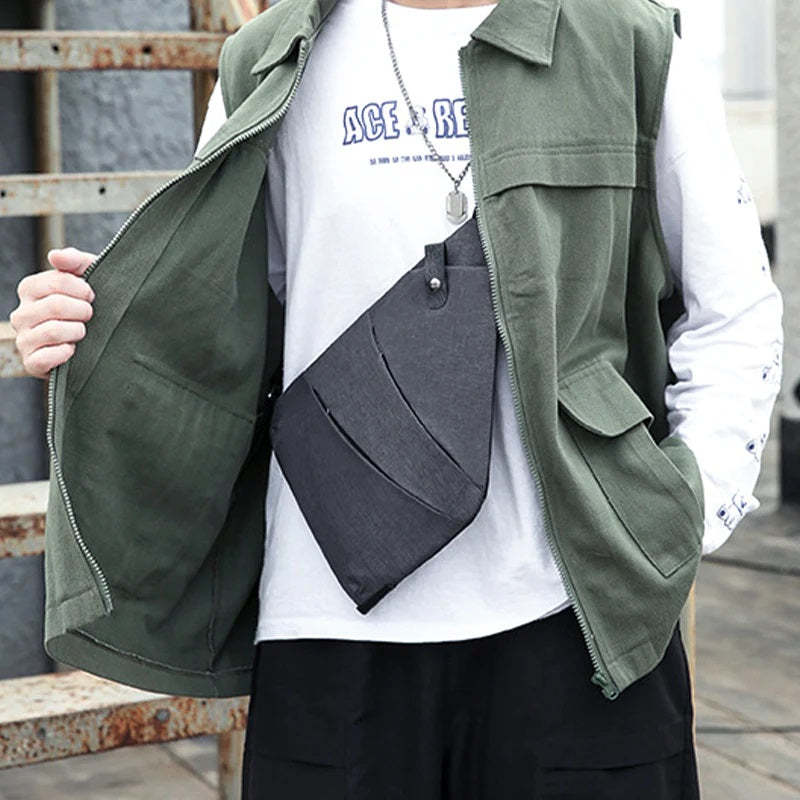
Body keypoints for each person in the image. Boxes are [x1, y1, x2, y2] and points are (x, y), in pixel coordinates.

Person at [8, 0, 784, 797]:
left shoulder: (629, 42)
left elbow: (734, 309)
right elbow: (222, 316)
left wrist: (677, 518)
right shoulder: (267, 59)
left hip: (580, 611)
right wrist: (98, 321)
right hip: (327, 623)